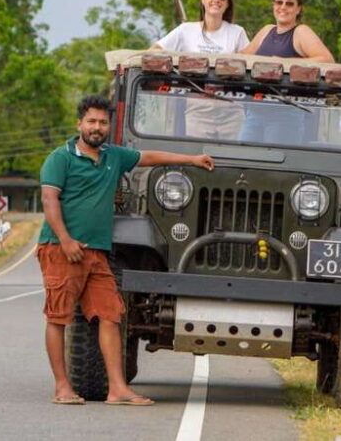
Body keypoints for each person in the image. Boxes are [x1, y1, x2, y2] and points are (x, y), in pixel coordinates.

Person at [38, 94, 214, 406]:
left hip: (97, 254)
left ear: (109, 126)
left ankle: (117, 389)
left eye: (103, 122)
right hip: (62, 249)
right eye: (91, 121)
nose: (97, 127)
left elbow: (149, 157)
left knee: (111, 315)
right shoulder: (60, 158)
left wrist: (191, 160)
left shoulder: (113, 156)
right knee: (59, 317)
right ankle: (62, 387)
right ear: (79, 123)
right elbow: (50, 200)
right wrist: (65, 239)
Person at [151, 0, 248, 140]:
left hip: (230, 107)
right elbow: (154, 52)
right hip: (197, 105)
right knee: (198, 157)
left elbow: (250, 65)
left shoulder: (237, 32)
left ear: (228, 3)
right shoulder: (185, 30)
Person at [238, 0, 335, 146]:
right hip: (255, 110)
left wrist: (286, 64)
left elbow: (327, 60)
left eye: (289, 4)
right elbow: (242, 57)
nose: (283, 7)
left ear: (298, 9)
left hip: (285, 113)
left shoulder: (300, 32)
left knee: (275, 166)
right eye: (279, 2)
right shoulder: (266, 30)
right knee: (242, 161)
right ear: (273, 5)